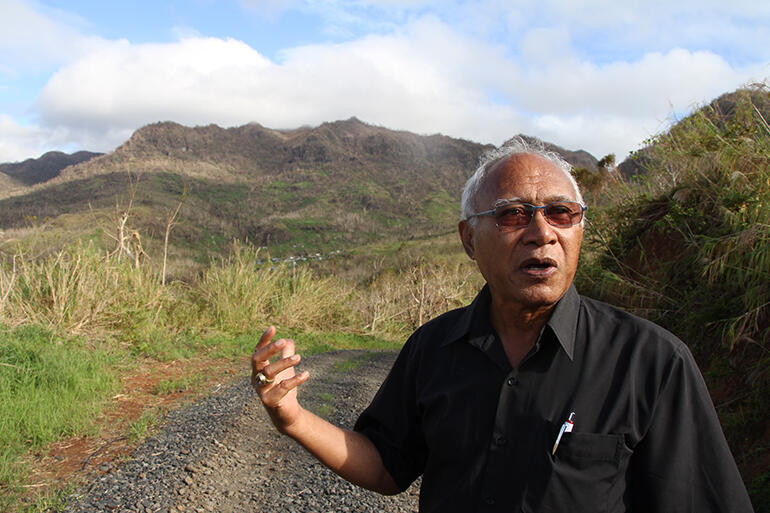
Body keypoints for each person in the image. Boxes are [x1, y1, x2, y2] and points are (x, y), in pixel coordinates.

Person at [251, 137, 754, 512]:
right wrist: (292, 418)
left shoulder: (652, 362)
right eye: (513, 214)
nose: (542, 233)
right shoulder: (434, 347)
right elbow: (386, 465)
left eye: (562, 213)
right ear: (470, 239)